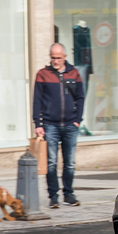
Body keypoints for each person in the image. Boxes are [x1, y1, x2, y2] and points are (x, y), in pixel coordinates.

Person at [33, 43, 85, 208]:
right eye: (53, 57)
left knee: (69, 163)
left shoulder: (74, 73)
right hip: (50, 125)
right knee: (51, 162)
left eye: (58, 58)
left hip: (70, 124)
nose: (55, 61)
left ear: (64, 57)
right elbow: (37, 101)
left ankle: (68, 194)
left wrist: (77, 120)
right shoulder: (43, 74)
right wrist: (38, 124)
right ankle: (53, 196)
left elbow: (80, 97)